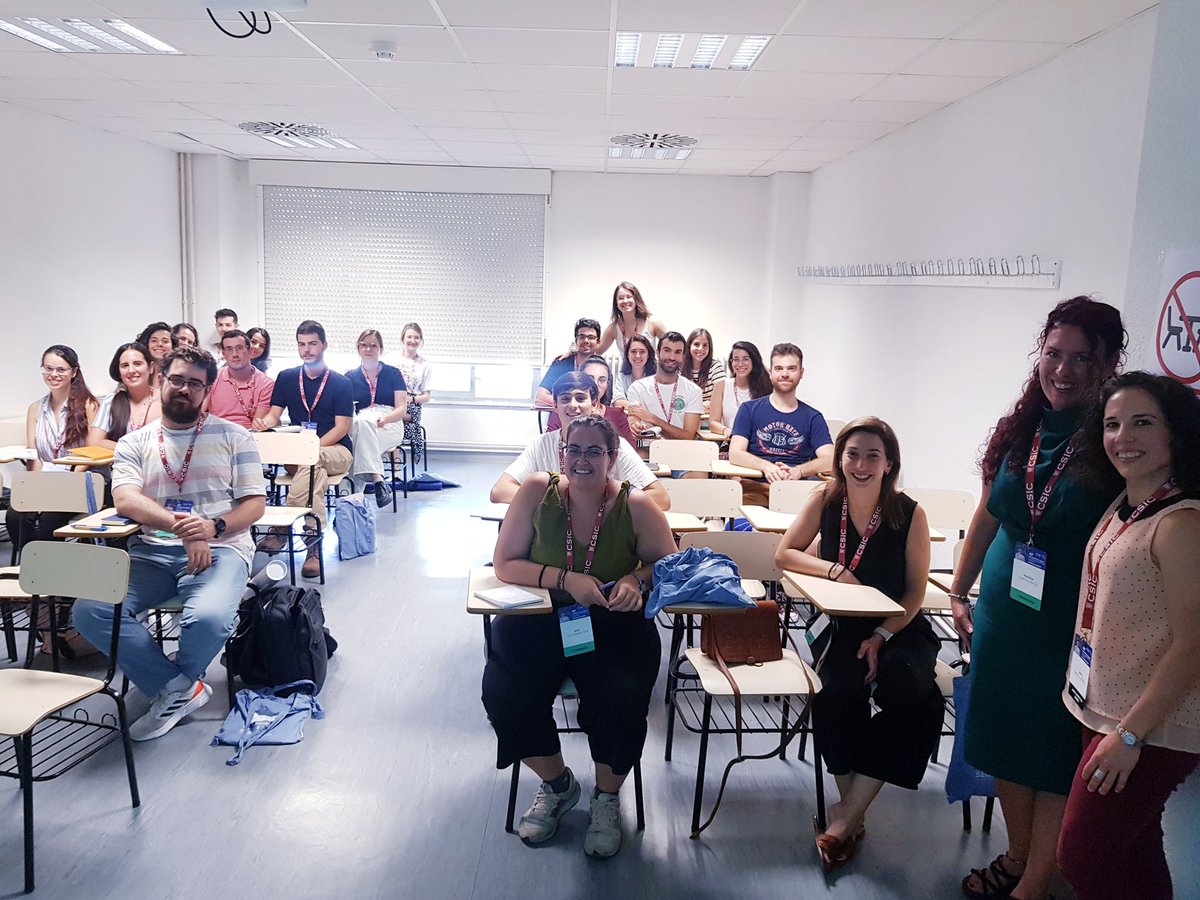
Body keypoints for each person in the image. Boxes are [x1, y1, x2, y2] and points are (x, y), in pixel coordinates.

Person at [950, 296, 1125, 900]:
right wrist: (959, 588)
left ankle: (1036, 880)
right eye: (1053, 354)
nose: (1063, 370)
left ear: (1108, 363)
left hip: (1069, 624)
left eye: (1081, 358)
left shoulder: (1114, 438)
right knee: (1002, 738)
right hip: (1004, 615)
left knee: (1051, 750)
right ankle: (1019, 854)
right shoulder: (1021, 428)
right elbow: (989, 514)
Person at [483, 414, 677, 857]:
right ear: (561, 452)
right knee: (505, 694)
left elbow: (669, 565)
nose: (582, 460)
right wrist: (565, 579)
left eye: (594, 451)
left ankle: (606, 797)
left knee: (621, 698)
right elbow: (505, 563)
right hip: (539, 614)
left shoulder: (636, 504)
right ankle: (558, 785)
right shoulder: (538, 490)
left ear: (613, 457)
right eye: (574, 449)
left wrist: (635, 579)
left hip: (613, 618)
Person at [72, 346, 266, 741]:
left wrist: (212, 527)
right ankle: (180, 687)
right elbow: (126, 499)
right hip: (152, 553)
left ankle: (171, 686)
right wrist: (186, 530)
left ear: (207, 390)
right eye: (177, 379)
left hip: (223, 548)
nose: (184, 389)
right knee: (90, 611)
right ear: (160, 380)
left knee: (208, 618)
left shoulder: (235, 436)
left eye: (195, 383)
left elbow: (254, 505)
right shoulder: (134, 442)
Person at [1056, 372, 1200, 900]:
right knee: (1134, 850)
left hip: (1152, 723)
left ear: (1175, 433)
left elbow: (1194, 644)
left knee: (1082, 856)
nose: (1123, 438)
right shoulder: (1126, 505)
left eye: (1142, 423)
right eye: (1112, 424)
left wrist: (1130, 735)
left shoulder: (1181, 523)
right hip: (1109, 708)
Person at [775, 417, 941, 870]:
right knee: (836, 692)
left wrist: (882, 636)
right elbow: (784, 553)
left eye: (873, 456)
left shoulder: (910, 513)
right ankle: (852, 815)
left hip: (897, 625)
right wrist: (833, 570)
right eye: (852, 454)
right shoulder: (825, 499)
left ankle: (845, 815)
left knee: (912, 691)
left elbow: (915, 593)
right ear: (839, 459)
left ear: (889, 464)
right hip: (841, 624)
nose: (861, 465)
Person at [490, 372, 669, 511]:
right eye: (565, 399)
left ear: (595, 404)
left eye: (581, 398)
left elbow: (661, 498)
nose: (573, 405)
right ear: (555, 406)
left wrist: (603, 504)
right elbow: (500, 491)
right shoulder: (541, 445)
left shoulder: (616, 445)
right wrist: (557, 502)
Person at [259, 320, 354, 578]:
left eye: (312, 344)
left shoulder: (341, 383)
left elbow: (341, 428)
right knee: (313, 472)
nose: (307, 350)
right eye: (302, 344)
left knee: (314, 461)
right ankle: (313, 544)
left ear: (324, 345)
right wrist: (264, 423)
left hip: (336, 451)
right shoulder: (287, 377)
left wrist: (310, 448)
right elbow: (274, 415)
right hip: (299, 455)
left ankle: (283, 528)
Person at [729, 342, 833, 502]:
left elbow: (830, 459)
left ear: (801, 373)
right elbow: (735, 453)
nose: (785, 374)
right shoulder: (748, 409)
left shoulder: (813, 417)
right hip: (755, 489)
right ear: (770, 373)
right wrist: (766, 467)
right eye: (779, 368)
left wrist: (799, 471)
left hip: (796, 493)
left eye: (791, 368)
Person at [345, 328, 408, 509]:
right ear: (358, 348)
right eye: (364, 345)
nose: (368, 349)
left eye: (373, 345)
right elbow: (346, 409)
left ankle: (349, 507)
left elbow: (402, 408)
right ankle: (378, 481)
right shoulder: (349, 377)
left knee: (356, 450)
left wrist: (386, 419)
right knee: (361, 426)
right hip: (362, 421)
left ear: (380, 349)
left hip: (390, 423)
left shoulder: (393, 373)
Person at [623, 332, 702, 441]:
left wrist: (653, 419)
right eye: (667, 350)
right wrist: (634, 426)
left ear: (683, 357)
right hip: (647, 449)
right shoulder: (638, 388)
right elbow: (634, 418)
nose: (672, 357)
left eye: (677, 352)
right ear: (657, 352)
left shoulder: (693, 391)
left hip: (681, 449)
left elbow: (688, 436)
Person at [545, 356, 636, 445]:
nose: (595, 384)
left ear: (607, 385)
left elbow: (632, 449)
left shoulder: (617, 414)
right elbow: (549, 444)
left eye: (602, 380)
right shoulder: (565, 411)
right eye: (590, 378)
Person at [88, 342, 162, 449]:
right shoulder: (111, 401)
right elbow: (94, 441)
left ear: (150, 367)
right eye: (125, 366)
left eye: (137, 364)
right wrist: (132, 450)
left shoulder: (165, 401)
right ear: (119, 372)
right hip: (120, 459)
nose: (131, 370)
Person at [206, 329, 274, 431]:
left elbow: (257, 428)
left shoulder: (266, 384)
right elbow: (200, 414)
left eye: (239, 348)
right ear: (223, 354)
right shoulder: (213, 377)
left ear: (250, 351)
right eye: (229, 349)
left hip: (248, 436)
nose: (234, 354)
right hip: (215, 434)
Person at [708, 341, 771, 437]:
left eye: (745, 359)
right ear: (731, 362)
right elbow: (713, 423)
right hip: (730, 440)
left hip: (756, 441)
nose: (740, 364)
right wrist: (726, 430)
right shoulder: (721, 385)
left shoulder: (765, 387)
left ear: (754, 361)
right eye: (736, 359)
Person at [535, 318, 601, 408]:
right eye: (582, 337)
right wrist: (569, 406)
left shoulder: (602, 369)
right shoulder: (561, 364)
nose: (586, 340)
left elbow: (604, 404)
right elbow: (540, 397)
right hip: (560, 416)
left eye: (591, 337)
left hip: (590, 416)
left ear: (598, 342)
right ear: (576, 341)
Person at [596, 282, 667, 359]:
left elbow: (672, 346)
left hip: (651, 367)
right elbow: (596, 352)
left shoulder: (653, 323)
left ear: (636, 299)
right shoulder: (613, 328)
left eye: (628, 297)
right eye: (621, 298)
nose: (625, 301)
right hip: (626, 367)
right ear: (616, 302)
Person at [396, 322, 432, 466]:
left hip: (412, 407)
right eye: (409, 337)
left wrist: (408, 399)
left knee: (394, 422)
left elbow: (426, 397)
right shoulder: (392, 360)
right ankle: (395, 469)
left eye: (416, 337)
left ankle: (396, 468)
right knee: (388, 421)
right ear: (403, 339)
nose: (413, 340)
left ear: (421, 340)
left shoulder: (425, 365)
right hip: (392, 402)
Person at [680, 327, 725, 412]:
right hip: (685, 416)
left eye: (705, 345)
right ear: (689, 346)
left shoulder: (716, 367)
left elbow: (722, 399)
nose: (700, 349)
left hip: (710, 417)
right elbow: (677, 402)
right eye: (696, 344)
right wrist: (703, 405)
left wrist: (693, 405)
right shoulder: (680, 368)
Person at [612, 333, 656, 406]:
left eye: (642, 352)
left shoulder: (656, 378)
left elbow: (655, 406)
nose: (637, 356)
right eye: (633, 351)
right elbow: (618, 402)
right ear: (627, 354)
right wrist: (641, 407)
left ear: (648, 355)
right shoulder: (622, 377)